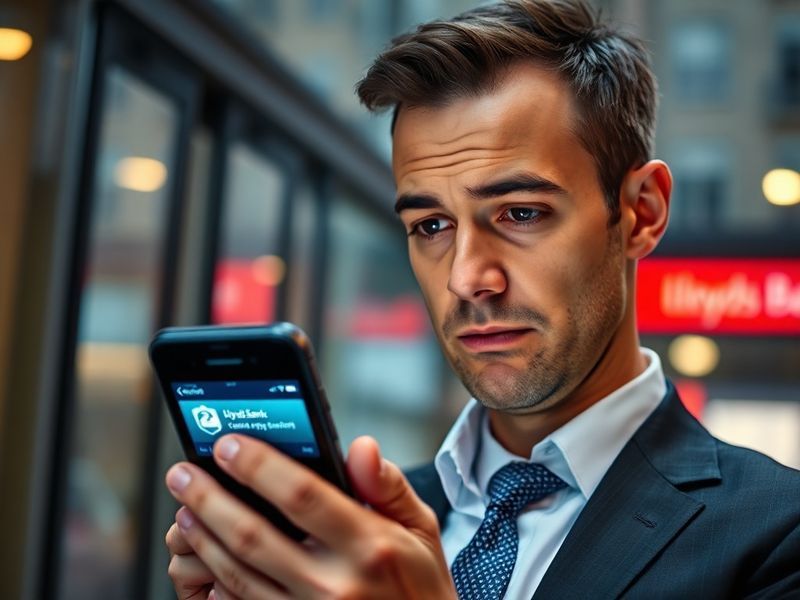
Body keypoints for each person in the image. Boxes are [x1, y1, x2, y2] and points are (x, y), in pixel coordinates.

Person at [164, 1, 800, 598]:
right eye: (431, 226)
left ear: (640, 213)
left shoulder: (776, 537)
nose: (467, 278)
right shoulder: (356, 536)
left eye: (520, 213)